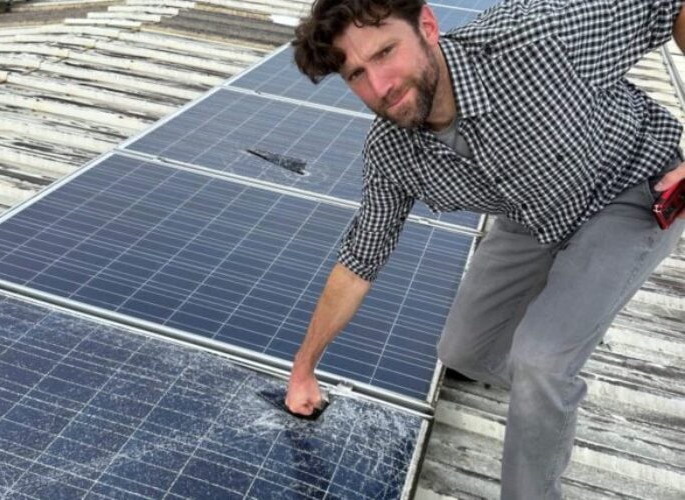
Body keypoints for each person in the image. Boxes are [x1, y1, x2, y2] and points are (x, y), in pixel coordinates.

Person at [285, 0, 685, 498]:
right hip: (530, 216)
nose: (380, 86)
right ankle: (555, 356)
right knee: (463, 353)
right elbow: (359, 261)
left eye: (386, 52)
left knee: (542, 360)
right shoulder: (392, 151)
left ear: (427, 26)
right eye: (356, 75)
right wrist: (304, 368)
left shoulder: (537, 39)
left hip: (631, 192)